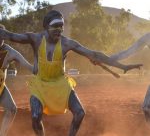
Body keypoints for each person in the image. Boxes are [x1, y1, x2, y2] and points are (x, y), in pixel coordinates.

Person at [0, 10, 142, 136]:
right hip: (40, 86)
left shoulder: (67, 43)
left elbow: (95, 54)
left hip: (61, 85)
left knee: (80, 112)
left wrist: (122, 66)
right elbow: (9, 35)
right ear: (46, 27)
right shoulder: (35, 39)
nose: (59, 29)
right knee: (36, 117)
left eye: (61, 26)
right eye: (55, 26)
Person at [109, 33, 150, 124]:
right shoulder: (148, 37)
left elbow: (127, 52)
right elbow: (127, 52)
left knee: (147, 107)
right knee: (146, 107)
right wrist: (107, 59)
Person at [0, 24, 33, 136]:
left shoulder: (9, 52)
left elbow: (27, 65)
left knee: (11, 109)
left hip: (1, 88)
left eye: (3, 35)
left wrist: (38, 69)